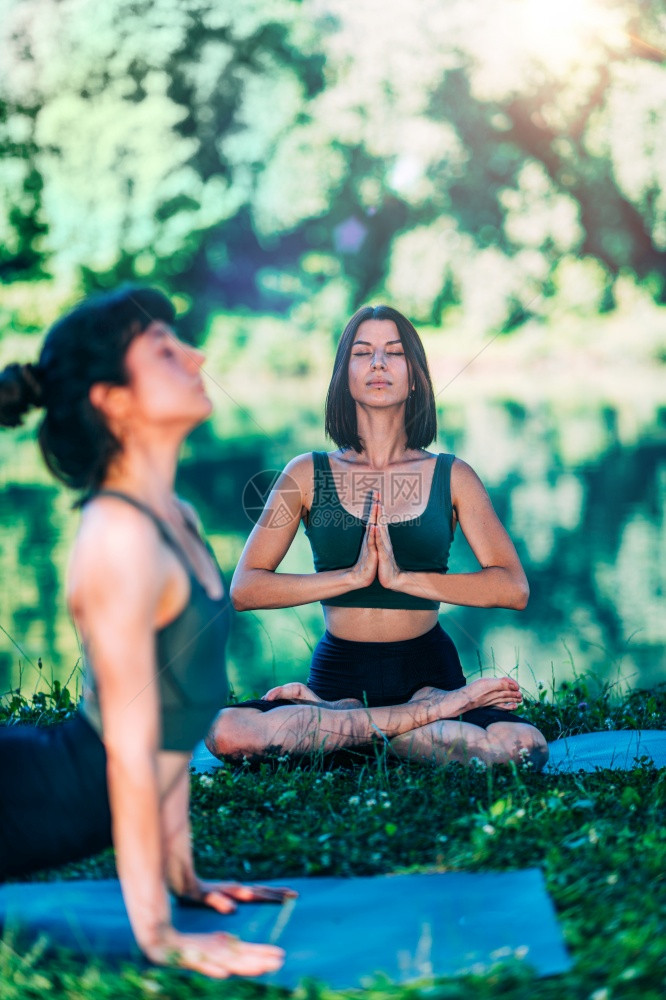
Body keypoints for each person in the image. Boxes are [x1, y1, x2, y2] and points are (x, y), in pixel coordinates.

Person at [0, 287, 293, 979]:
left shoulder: (175, 516)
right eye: (163, 349)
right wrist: (159, 935)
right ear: (114, 400)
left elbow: (172, 732)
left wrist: (184, 878)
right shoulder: (120, 539)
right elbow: (131, 755)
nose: (195, 355)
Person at [206, 305, 548, 769]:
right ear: (344, 376)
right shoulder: (304, 474)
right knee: (226, 732)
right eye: (363, 352)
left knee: (521, 748)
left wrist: (406, 580)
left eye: (395, 352)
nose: (379, 363)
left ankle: (351, 728)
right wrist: (351, 577)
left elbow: (513, 586)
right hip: (339, 676)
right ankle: (420, 719)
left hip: (429, 672)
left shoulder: (454, 476)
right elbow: (246, 588)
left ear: (416, 377)